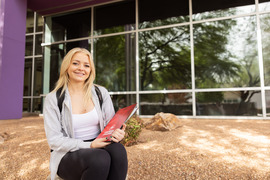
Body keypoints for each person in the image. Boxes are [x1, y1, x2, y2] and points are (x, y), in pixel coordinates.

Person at [43, 47, 128, 180]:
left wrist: (116, 133)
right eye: (75, 63)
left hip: (99, 142)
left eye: (86, 65)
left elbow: (110, 126)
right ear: (67, 66)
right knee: (100, 158)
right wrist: (89, 145)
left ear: (90, 70)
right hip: (68, 153)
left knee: (118, 151)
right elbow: (54, 140)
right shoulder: (53, 99)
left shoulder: (101, 93)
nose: (81, 68)